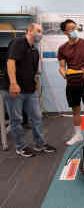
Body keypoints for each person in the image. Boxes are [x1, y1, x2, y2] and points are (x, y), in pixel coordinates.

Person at [4, 23, 56, 158]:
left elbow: (32, 71)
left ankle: (39, 144)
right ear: (29, 30)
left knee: (37, 117)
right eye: (38, 31)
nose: (41, 34)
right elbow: (10, 62)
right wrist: (13, 83)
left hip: (30, 90)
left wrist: (35, 86)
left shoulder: (34, 50)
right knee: (17, 119)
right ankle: (20, 147)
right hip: (16, 89)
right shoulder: (18, 42)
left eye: (42, 32)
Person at [58, 19, 84, 146]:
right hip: (71, 84)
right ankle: (78, 135)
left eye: (75, 28)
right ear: (65, 32)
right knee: (75, 110)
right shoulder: (62, 48)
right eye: (71, 29)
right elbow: (62, 67)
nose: (74, 31)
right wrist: (64, 74)